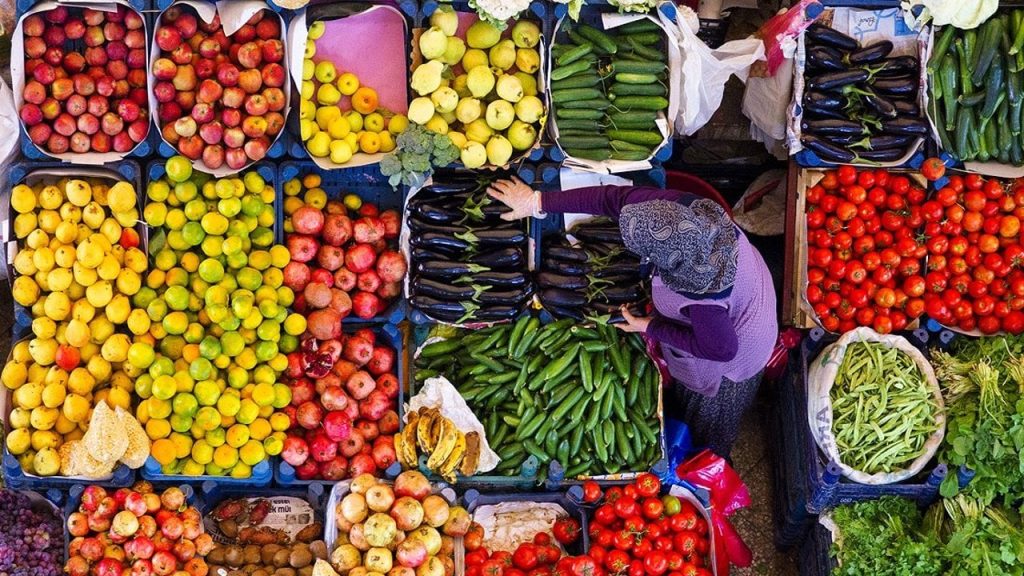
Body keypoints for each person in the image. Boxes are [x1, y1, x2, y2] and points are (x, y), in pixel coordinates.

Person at [486, 177, 778, 456]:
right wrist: (536, 201)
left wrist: (651, 326)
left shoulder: (705, 299)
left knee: (709, 411)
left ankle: (710, 462)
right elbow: (611, 199)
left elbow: (722, 349)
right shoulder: (677, 211)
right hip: (749, 280)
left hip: (741, 344)